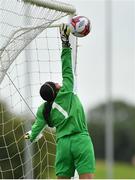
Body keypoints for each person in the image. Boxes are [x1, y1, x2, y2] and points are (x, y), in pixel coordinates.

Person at [25, 24, 95, 179]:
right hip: (80, 140)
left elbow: (36, 129)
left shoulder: (44, 110)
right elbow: (67, 68)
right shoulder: (67, 91)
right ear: (57, 88)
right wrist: (65, 42)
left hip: (63, 145)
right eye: (57, 84)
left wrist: (30, 135)